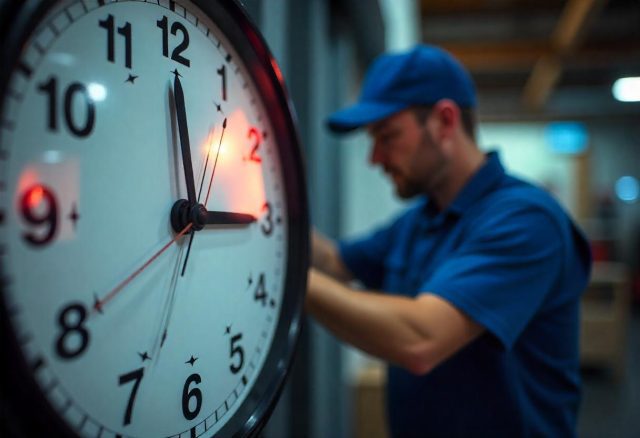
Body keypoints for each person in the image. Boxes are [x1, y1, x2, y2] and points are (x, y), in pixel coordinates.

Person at [306, 44, 592, 437]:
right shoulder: (419, 221)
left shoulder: (526, 219)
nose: (375, 158)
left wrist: (285, 277)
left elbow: (421, 340)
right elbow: (334, 262)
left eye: (387, 136)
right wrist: (270, 220)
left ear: (444, 121)